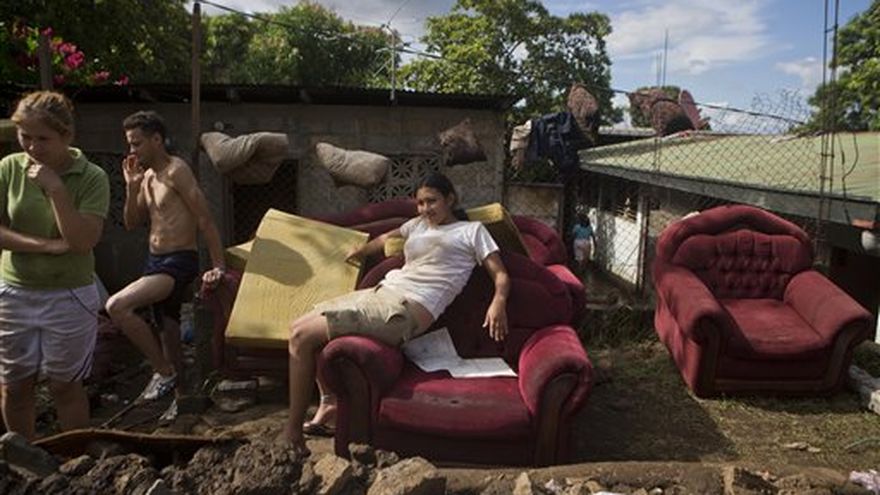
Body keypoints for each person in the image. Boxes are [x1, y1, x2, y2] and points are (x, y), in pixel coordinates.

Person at [280, 172, 510, 454]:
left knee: (302, 335)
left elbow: (500, 274)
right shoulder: (417, 225)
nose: (425, 209)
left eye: (432, 201)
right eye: (420, 203)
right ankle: (329, 403)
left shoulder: (471, 231)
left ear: (450, 199)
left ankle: (293, 434)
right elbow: (386, 238)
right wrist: (361, 251)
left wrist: (498, 301)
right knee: (298, 324)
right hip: (380, 293)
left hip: (404, 308)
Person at [0, 90, 110, 439]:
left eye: (43, 139)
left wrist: (56, 190)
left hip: (68, 294)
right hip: (14, 292)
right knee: (16, 385)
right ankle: (24, 458)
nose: (32, 147)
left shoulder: (91, 177)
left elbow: (81, 242)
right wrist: (45, 246)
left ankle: (74, 461)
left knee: (65, 385)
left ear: (67, 136)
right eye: (25, 137)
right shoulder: (8, 168)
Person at [105, 111, 225, 406]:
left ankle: (162, 372)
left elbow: (205, 219)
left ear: (156, 140)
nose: (132, 150)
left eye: (137, 143)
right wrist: (132, 187)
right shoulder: (146, 177)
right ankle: (181, 398)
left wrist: (218, 265)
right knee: (168, 332)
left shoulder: (177, 170)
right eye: (130, 144)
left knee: (117, 306)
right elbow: (132, 223)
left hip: (179, 261)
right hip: (154, 260)